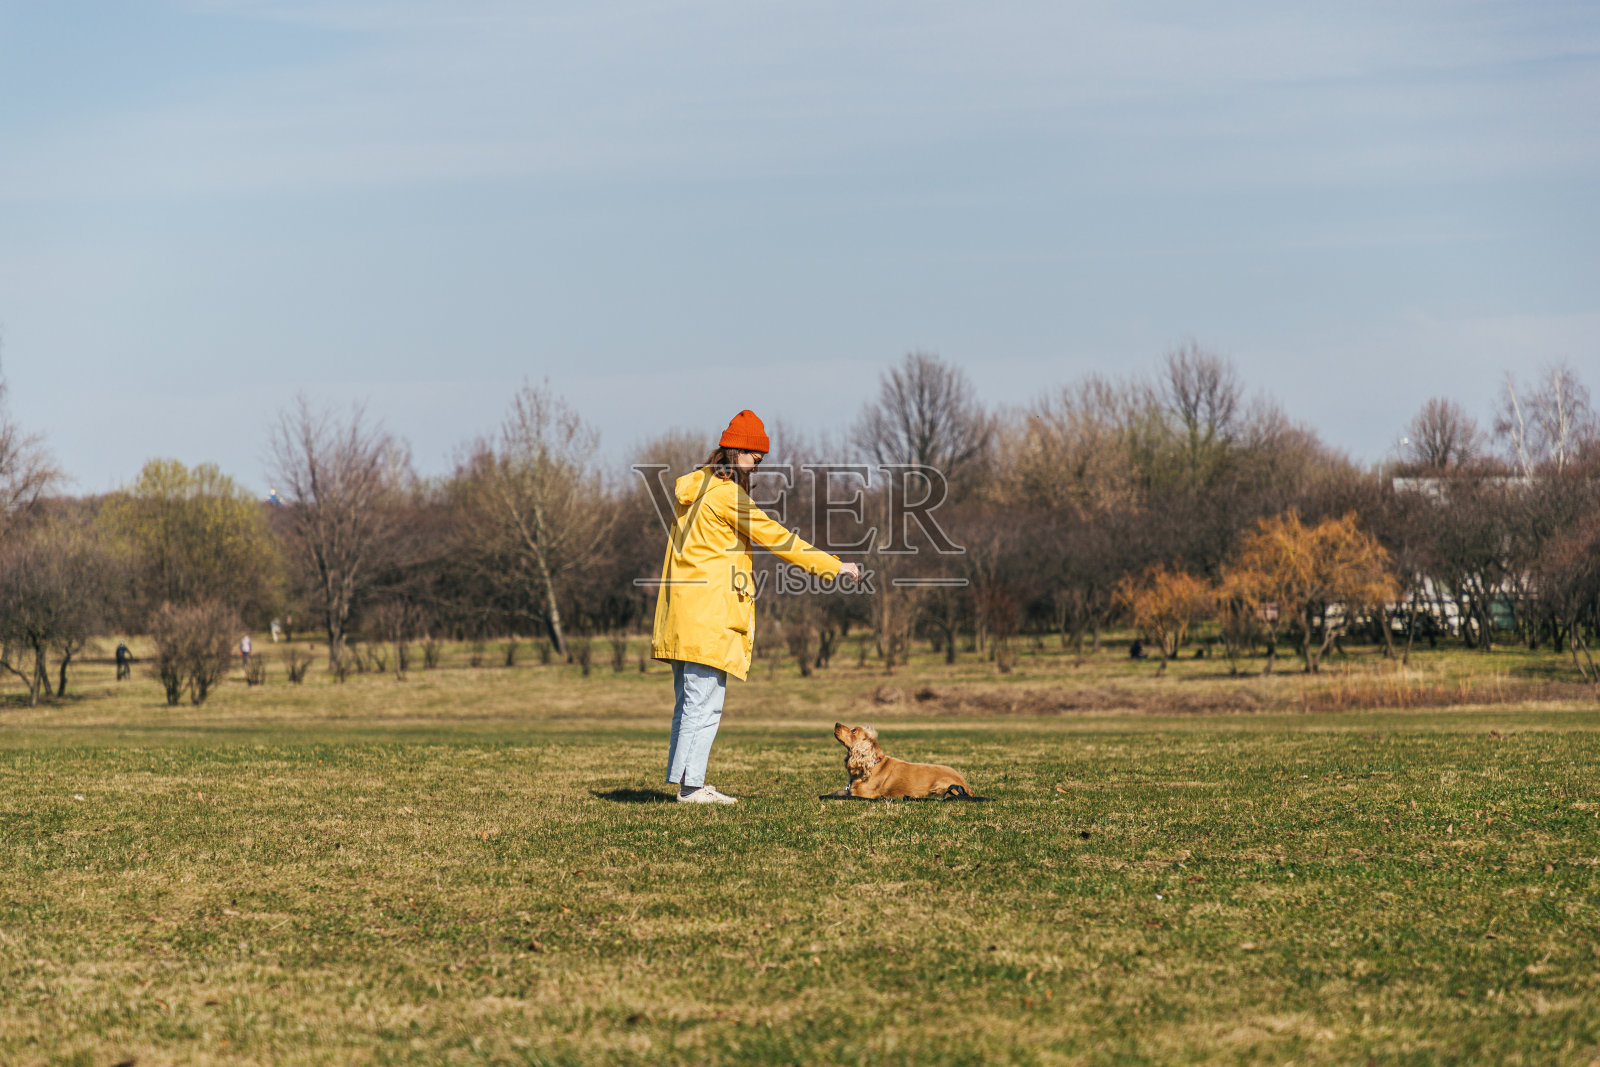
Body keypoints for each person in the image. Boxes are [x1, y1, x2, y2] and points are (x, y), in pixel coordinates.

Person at [651, 409, 861, 804]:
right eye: (751, 454)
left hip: (684, 613)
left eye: (760, 456)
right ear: (732, 450)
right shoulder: (725, 496)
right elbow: (778, 538)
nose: (757, 461)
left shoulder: (695, 489)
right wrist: (835, 566)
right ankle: (691, 788)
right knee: (704, 705)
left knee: (691, 702)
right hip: (709, 614)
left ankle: (687, 782)